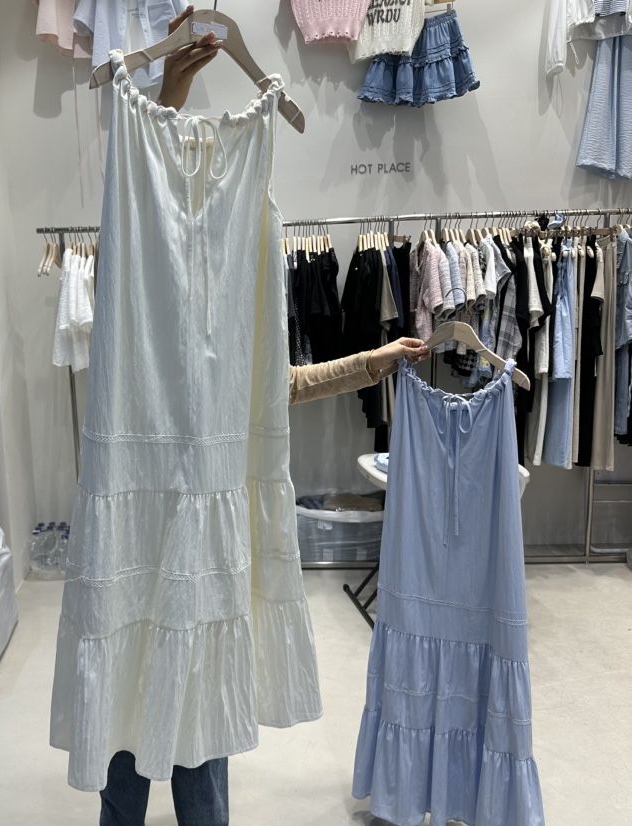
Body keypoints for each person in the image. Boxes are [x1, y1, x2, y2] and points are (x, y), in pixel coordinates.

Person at [98, 9, 429, 824]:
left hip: (201, 532)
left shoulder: (237, 316)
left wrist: (375, 359)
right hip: (143, 522)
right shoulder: (141, 268)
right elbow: (149, 182)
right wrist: (169, 87)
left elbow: (283, 384)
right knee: (130, 702)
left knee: (195, 714)